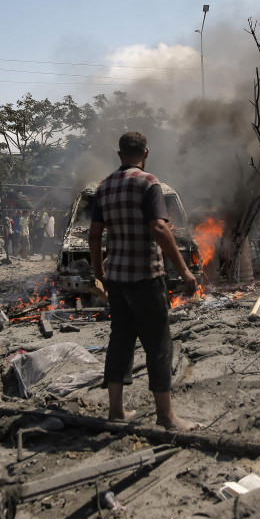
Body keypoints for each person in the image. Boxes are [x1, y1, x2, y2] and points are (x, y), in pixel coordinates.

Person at [89, 131, 199, 431]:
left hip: (117, 280)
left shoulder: (104, 187)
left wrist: (99, 275)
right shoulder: (149, 183)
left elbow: (95, 234)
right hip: (147, 277)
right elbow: (159, 229)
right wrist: (185, 270)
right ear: (146, 153)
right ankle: (166, 416)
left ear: (119, 153)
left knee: (120, 341)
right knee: (159, 344)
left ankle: (116, 411)